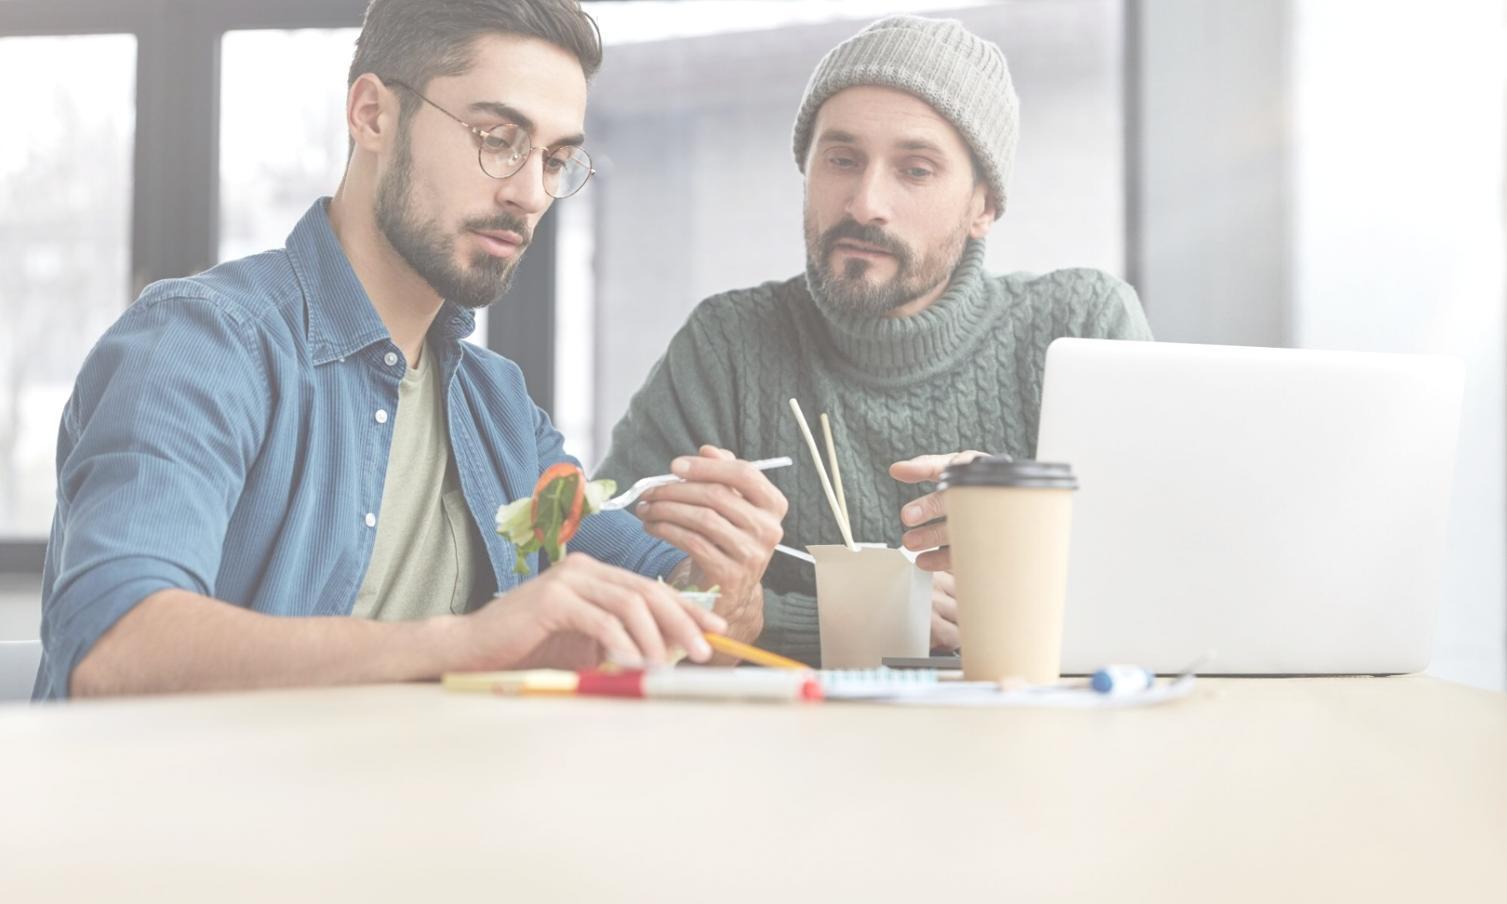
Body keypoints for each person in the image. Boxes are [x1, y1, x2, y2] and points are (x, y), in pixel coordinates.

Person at [33, 0, 786, 700]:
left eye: (555, 160)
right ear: (371, 115)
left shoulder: (496, 406)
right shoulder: (199, 343)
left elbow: (691, 635)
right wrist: (465, 643)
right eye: (498, 138)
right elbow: (116, 646)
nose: (529, 193)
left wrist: (724, 582)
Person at [596, 15, 1153, 666]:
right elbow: (599, 560)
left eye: (914, 170)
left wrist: (1031, 535)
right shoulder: (728, 345)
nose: (864, 203)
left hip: (1027, 735)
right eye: (840, 160)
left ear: (983, 207)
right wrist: (794, 617)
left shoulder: (1077, 324)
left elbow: (1165, 567)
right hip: (780, 749)